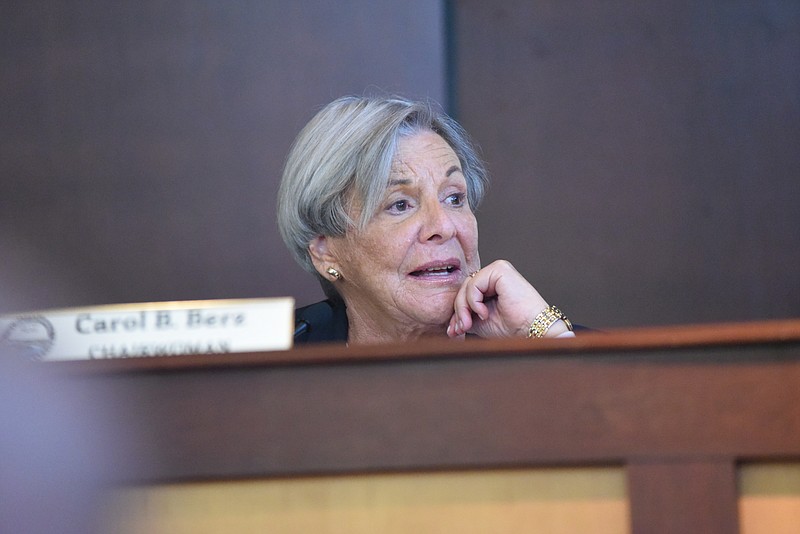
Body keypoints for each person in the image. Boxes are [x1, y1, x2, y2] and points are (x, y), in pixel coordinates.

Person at [278, 95, 576, 345]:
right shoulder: (275, 365)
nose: (444, 227)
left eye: (454, 198)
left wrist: (543, 334)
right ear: (325, 251)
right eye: (400, 205)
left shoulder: (557, 345)